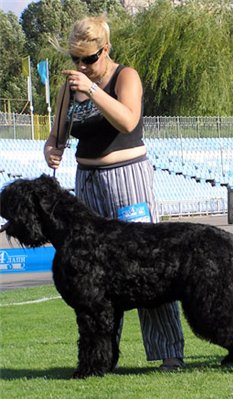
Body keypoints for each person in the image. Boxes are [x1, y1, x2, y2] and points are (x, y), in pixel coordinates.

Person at [43, 16, 185, 371]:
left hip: (128, 179)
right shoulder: (68, 89)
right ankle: (103, 357)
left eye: (88, 58)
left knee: (150, 265)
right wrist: (51, 148)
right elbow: (56, 135)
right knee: (95, 275)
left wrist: (92, 90)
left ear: (105, 50)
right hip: (87, 181)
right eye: (75, 59)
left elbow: (128, 121)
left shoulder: (125, 77)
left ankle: (170, 354)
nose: (81, 66)